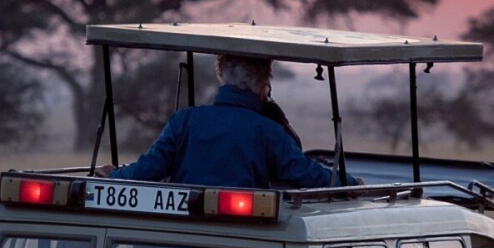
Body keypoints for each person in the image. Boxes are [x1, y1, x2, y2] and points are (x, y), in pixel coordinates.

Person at [100, 54, 345, 188]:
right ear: (264, 83)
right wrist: (350, 183)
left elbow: (149, 169)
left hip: (183, 240)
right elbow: (303, 172)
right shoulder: (269, 131)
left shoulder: (183, 120)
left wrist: (114, 177)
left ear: (222, 75)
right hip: (247, 242)